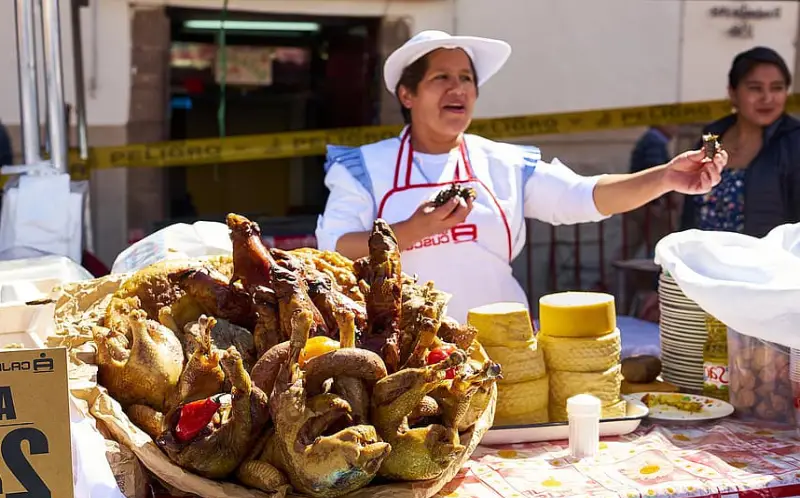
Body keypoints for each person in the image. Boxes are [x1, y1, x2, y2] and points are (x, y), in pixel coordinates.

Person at [315, 30, 727, 323]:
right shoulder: (365, 167)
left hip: (496, 348)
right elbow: (333, 247)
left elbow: (582, 197)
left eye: (467, 79)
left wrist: (666, 177)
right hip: (401, 355)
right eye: (441, 77)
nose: (458, 89)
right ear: (407, 94)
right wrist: (414, 229)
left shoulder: (504, 163)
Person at [680, 46, 800, 237]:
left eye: (777, 88)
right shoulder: (712, 137)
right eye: (755, 88)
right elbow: (690, 205)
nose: (767, 98)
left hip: (767, 264)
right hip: (701, 263)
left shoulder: (794, 141)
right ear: (733, 93)